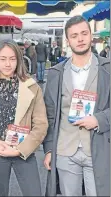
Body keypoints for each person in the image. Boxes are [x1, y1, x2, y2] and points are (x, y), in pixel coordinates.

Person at [43, 15, 110, 197]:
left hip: (99, 149)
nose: (80, 39)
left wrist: (99, 119)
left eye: (83, 33)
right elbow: (49, 115)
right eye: (74, 36)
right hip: (65, 150)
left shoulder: (107, 69)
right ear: (67, 40)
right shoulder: (56, 73)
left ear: (91, 36)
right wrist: (49, 149)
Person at [0, 40, 48, 196]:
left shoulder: (32, 87)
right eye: (3, 59)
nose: (8, 64)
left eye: (12, 59)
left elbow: (41, 124)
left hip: (23, 151)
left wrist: (20, 150)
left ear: (19, 60)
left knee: (33, 192)